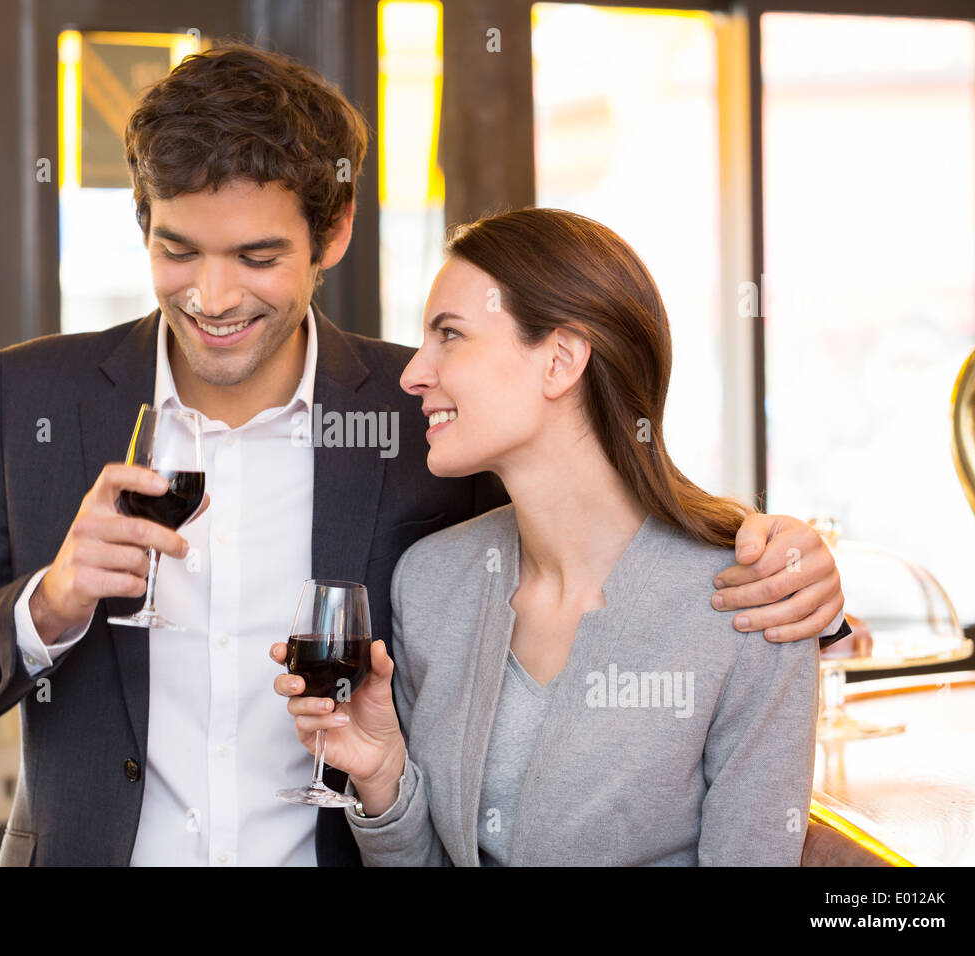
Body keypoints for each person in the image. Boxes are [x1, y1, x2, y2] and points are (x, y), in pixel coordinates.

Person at [0, 43, 847, 867]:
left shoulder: (422, 413)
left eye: (256, 257)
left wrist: (771, 551)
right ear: (143, 222)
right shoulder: (31, 397)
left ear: (331, 231)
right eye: (177, 250)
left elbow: (594, 507)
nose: (211, 297)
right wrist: (48, 602)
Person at [272, 208, 838, 865]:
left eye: (449, 335)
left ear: (561, 360)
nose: (413, 374)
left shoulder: (753, 603)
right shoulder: (430, 581)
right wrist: (381, 776)